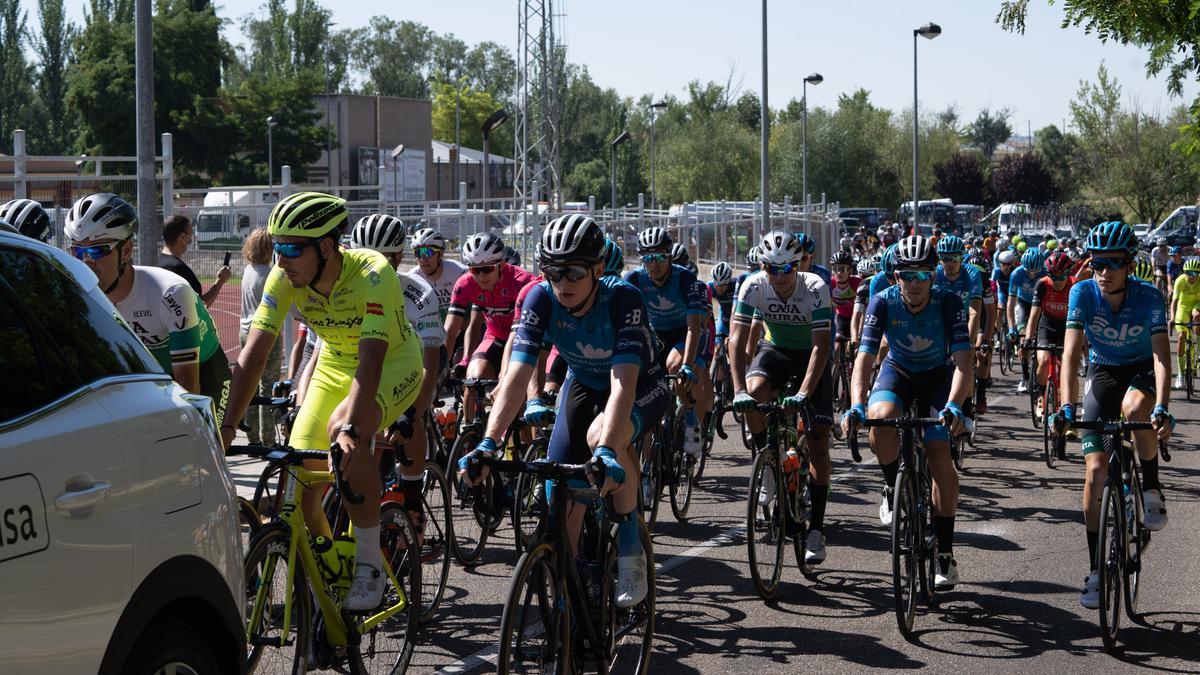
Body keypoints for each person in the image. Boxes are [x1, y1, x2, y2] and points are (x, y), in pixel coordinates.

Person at [221, 191, 424, 612]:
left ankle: (369, 562)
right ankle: (331, 566)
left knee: (343, 432)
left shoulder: (372, 273)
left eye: (292, 250)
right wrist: (225, 427)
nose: (281, 261)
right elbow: (254, 354)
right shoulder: (283, 279)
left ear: (327, 247)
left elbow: (371, 359)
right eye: (277, 249)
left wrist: (352, 427)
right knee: (299, 472)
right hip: (334, 363)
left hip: (391, 362)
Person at [459, 214, 670, 608]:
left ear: (596, 269)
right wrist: (489, 441)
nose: (563, 283)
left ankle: (630, 548)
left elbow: (623, 383)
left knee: (602, 438)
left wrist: (606, 449)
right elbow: (517, 375)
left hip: (640, 384)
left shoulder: (623, 298)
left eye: (574, 272)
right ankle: (570, 590)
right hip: (585, 381)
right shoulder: (540, 297)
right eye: (554, 271)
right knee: (559, 490)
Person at [1050, 221, 1173, 609]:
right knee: (1095, 472)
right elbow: (1070, 354)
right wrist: (1066, 405)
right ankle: (1096, 570)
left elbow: (1160, 357)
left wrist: (1162, 407)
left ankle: (1150, 488)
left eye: (1113, 264)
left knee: (1136, 409)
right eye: (1097, 263)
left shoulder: (1149, 296)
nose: (1104, 272)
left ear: (1130, 264)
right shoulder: (1083, 293)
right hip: (1102, 373)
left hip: (1139, 370)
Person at [843, 235, 972, 588]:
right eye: (906, 276)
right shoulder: (881, 302)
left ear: (934, 276)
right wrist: (855, 404)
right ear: (895, 276)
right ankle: (890, 485)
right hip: (898, 370)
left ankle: (944, 552)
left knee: (938, 453)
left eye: (922, 276)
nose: (914, 284)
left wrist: (953, 406)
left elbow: (963, 361)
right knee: (879, 418)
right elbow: (865, 359)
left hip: (936, 377)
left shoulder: (949, 303)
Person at [66, 193, 231, 423]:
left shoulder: (171, 293)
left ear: (125, 251)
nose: (86, 261)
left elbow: (189, 386)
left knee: (202, 441)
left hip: (204, 371)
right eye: (77, 251)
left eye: (97, 251)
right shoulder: (82, 298)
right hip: (154, 376)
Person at [729, 231, 834, 564]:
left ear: (799, 265)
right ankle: (768, 462)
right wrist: (739, 391)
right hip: (775, 350)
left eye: (788, 268)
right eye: (773, 269)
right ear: (763, 266)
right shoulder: (752, 285)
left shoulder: (816, 287)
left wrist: (804, 392)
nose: (781, 276)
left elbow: (821, 346)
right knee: (755, 393)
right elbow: (736, 341)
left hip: (810, 356)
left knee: (817, 441)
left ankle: (815, 528)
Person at [350, 214, 445, 537]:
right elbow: (314, 351)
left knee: (411, 418)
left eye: (381, 260)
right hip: (362, 370)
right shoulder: (342, 292)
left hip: (411, 366)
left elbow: (429, 361)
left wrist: (413, 411)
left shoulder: (418, 293)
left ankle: (413, 496)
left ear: (397, 258)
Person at [624, 227, 706, 495]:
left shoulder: (686, 280)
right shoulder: (634, 279)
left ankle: (691, 415)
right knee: (647, 406)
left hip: (683, 333)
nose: (654, 264)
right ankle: (649, 469)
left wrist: (688, 364)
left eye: (660, 257)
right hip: (654, 335)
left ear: (669, 257)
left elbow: (695, 327)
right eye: (648, 258)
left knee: (673, 366)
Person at [443, 232, 538, 418]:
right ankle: (469, 437)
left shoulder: (522, 282)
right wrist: (440, 369)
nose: (480, 276)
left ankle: (520, 442)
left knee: (516, 401)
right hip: (494, 337)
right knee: (471, 382)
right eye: (474, 270)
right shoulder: (465, 284)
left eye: (486, 269)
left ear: (501, 265)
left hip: (523, 340)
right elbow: (451, 330)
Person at [239, 227, 283, 445]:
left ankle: (252, 436)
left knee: (250, 385)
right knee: (269, 385)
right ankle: (268, 437)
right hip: (265, 333)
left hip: (245, 331)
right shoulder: (270, 274)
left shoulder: (248, 271)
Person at [1023, 251, 1075, 417]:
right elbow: (1034, 315)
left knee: (1068, 366)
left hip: (1068, 326)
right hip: (1048, 324)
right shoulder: (1043, 284)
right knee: (1044, 361)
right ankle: (1041, 394)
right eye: (1054, 277)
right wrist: (1028, 337)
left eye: (1061, 278)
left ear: (1068, 274)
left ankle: (1069, 405)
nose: (1057, 282)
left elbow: (1083, 318)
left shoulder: (1075, 285)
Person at [158, 214, 231, 309]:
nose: (191, 240)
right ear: (182, 237)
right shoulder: (179, 269)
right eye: (190, 235)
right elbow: (201, 306)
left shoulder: (156, 263)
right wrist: (219, 282)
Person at [1008, 248, 1046, 394]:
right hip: (1023, 303)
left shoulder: (1045, 272)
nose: (1032, 274)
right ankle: (1024, 377)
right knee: (1024, 343)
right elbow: (1010, 304)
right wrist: (1012, 328)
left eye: (1035, 271)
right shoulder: (1016, 274)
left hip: (1041, 304)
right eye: (1029, 271)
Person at [1170, 258, 1200, 388]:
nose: (1191, 276)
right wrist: (1171, 318)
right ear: (1184, 272)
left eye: (1195, 273)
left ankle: (1197, 346)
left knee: (1197, 316)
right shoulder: (1180, 280)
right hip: (1183, 307)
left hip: (1197, 305)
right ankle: (1181, 374)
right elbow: (1174, 302)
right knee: (1181, 337)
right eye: (1188, 273)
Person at [829, 250, 862, 344]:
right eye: (835, 269)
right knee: (837, 346)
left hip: (857, 318)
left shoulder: (858, 283)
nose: (839, 273)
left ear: (850, 270)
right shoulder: (829, 284)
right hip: (841, 318)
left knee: (857, 346)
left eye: (843, 269)